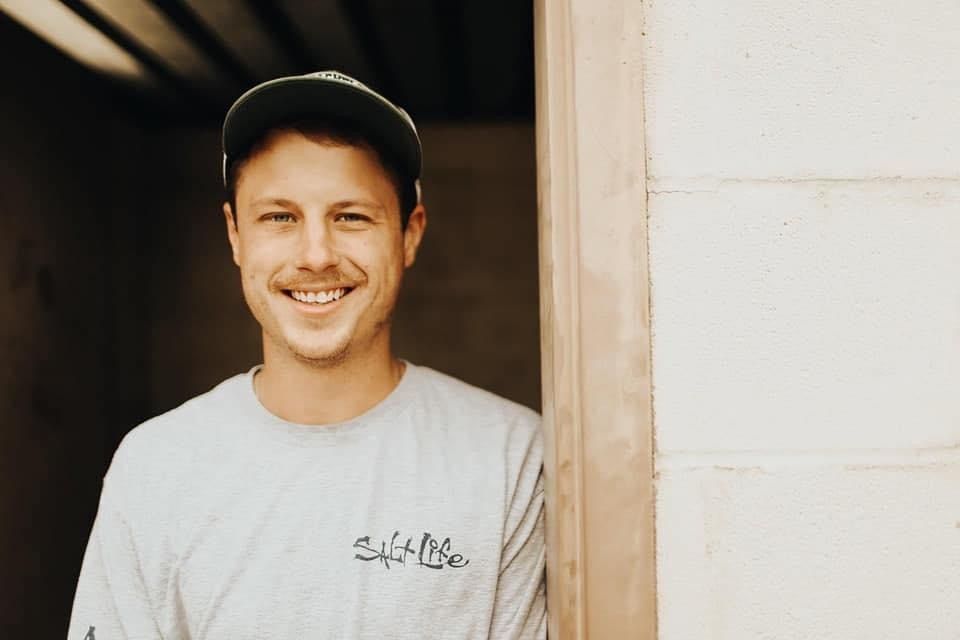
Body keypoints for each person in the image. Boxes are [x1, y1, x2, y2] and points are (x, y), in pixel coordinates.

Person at [68, 71, 545, 639]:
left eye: (351, 216)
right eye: (279, 217)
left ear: (409, 235)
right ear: (236, 235)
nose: (316, 254)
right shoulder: (155, 466)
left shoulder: (510, 457)